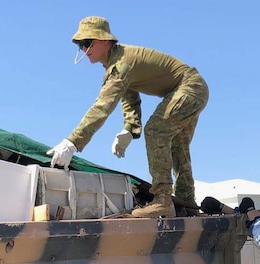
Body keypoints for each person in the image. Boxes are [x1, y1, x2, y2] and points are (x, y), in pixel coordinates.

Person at [47, 16, 209, 218]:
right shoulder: (117, 62)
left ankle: (163, 201)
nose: (84, 50)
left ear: (105, 41)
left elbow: (102, 106)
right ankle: (187, 203)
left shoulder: (122, 64)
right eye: (80, 45)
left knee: (156, 131)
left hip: (189, 87)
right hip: (193, 88)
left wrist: (73, 141)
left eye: (87, 43)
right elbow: (130, 98)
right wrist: (129, 129)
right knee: (176, 144)